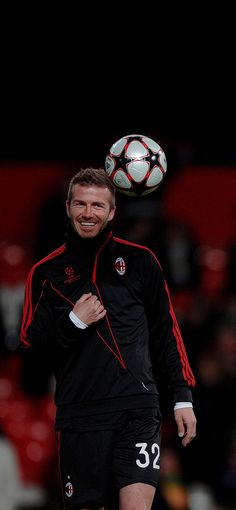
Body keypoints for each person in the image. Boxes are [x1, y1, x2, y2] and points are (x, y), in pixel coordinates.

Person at [20, 167, 197, 510]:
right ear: (69, 207)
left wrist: (182, 397)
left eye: (98, 206)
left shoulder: (142, 261)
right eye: (81, 204)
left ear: (112, 211)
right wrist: (73, 322)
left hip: (139, 408)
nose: (89, 213)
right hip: (81, 415)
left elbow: (166, 331)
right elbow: (32, 354)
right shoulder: (45, 273)